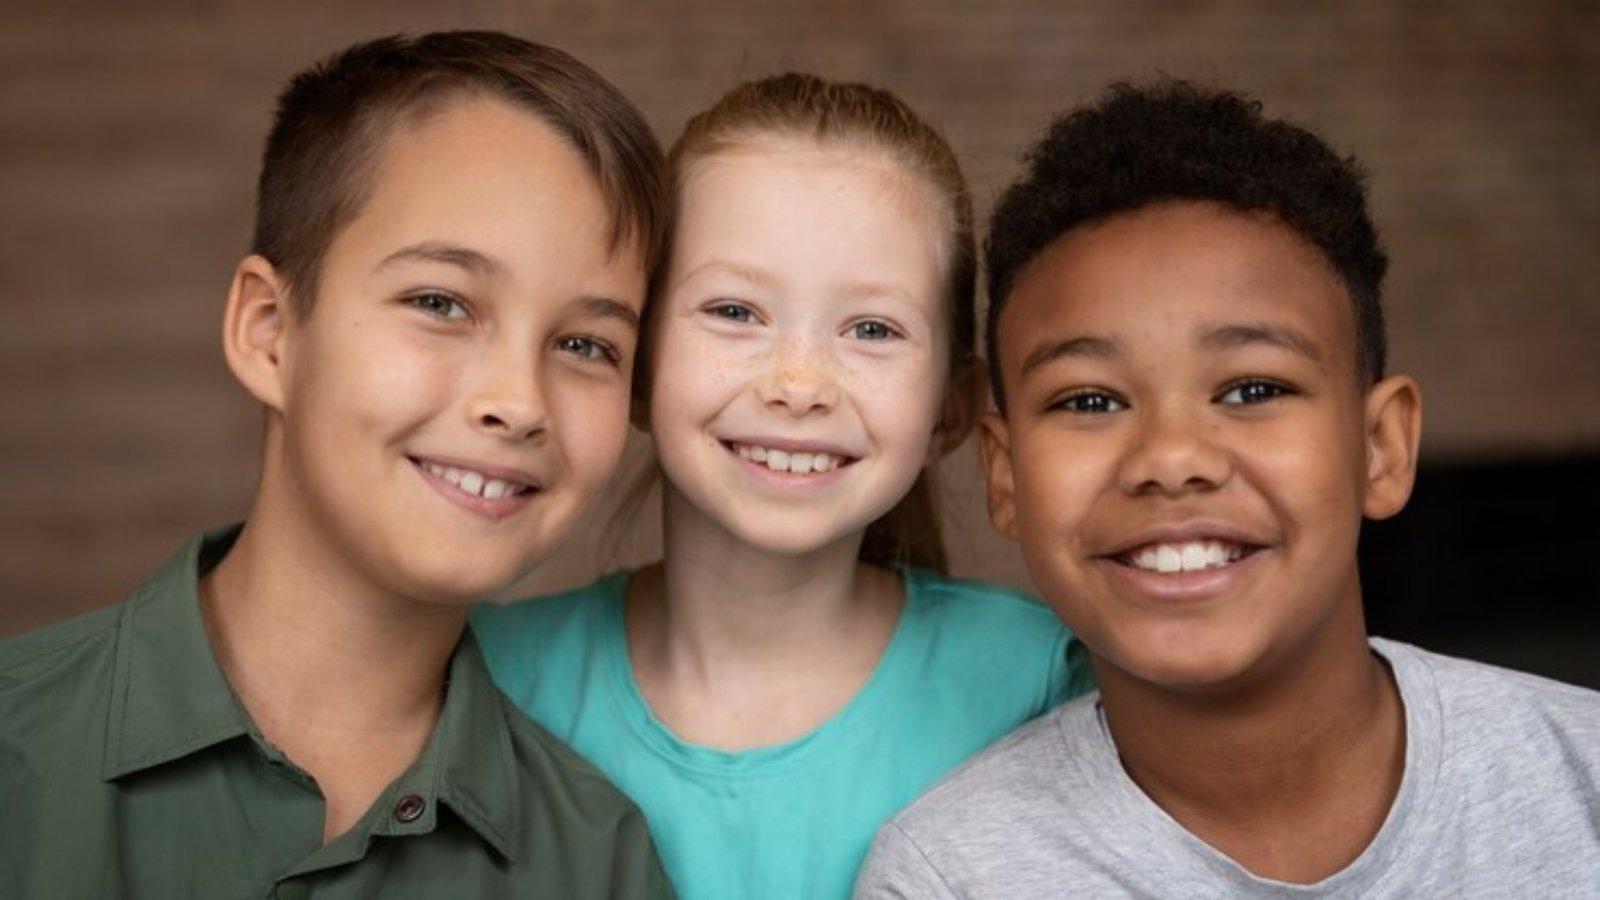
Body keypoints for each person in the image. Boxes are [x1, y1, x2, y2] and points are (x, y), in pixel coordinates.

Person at [854, 79, 1600, 899]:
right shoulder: (952, 876)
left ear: (1381, 446)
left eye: (1251, 389)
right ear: (1004, 475)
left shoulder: (1580, 780)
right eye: (1090, 400)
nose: (1172, 459)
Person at [0, 31, 676, 898]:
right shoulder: (19, 754)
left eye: (587, 343)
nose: (520, 401)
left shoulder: (598, 862)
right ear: (269, 333)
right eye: (440, 302)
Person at [471, 73, 1093, 900]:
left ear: (951, 406)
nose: (799, 384)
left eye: (872, 329)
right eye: (734, 312)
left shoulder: (1049, 683)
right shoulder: (487, 681)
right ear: (639, 366)